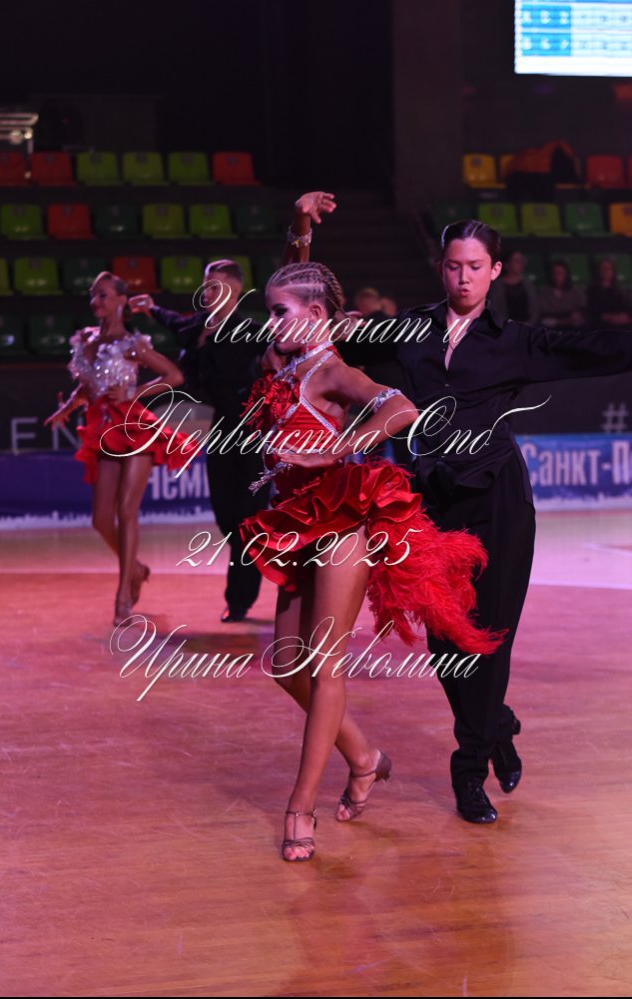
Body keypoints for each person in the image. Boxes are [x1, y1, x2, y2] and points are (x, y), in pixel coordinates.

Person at [239, 258, 504, 863]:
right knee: (286, 666)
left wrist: (334, 447)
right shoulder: (290, 367)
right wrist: (301, 227)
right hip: (295, 523)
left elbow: (402, 409)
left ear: (314, 314)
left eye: (279, 311)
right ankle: (364, 757)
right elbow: (302, 266)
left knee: (325, 668)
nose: (270, 322)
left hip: (341, 522)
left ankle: (300, 807)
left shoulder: (333, 370)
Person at [384, 220, 632, 824]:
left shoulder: (515, 340)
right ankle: (495, 722)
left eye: (475, 267)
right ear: (440, 268)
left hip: (498, 503)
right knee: (444, 641)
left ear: (495, 271)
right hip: (430, 504)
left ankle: (468, 771)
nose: (463, 277)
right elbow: (328, 340)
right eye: (453, 266)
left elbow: (591, 349)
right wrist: (300, 241)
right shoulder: (408, 331)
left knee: (488, 637)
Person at [45, 271, 192, 626]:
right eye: (93, 295)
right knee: (100, 519)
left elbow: (174, 376)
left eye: (104, 295)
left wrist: (133, 393)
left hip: (132, 428)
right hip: (103, 430)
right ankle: (137, 569)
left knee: (127, 511)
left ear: (122, 301)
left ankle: (123, 595)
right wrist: (67, 409)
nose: (96, 301)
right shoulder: (86, 339)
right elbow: (88, 386)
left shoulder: (132, 343)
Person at [130, 261, 270, 623]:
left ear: (234, 291)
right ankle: (248, 566)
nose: (206, 293)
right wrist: (151, 308)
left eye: (215, 287)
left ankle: (239, 599)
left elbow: (286, 344)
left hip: (253, 429)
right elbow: (174, 322)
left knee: (248, 518)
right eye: (205, 286)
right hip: (223, 427)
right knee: (225, 515)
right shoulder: (197, 326)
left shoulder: (251, 331)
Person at [488, 249, 540, 324]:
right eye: (516, 261)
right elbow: (495, 310)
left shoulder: (529, 285)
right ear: (507, 265)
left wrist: (530, 325)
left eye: (521, 260)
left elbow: (535, 309)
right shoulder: (497, 286)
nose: (520, 263)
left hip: (528, 327)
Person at [538, 259, 586, 329]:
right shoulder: (544, 292)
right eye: (554, 273)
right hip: (551, 327)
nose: (557, 276)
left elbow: (582, 307)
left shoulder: (576, 291)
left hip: (572, 327)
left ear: (566, 274)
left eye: (560, 273)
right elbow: (544, 313)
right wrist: (563, 320)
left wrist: (576, 314)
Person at [586, 258, 632, 330]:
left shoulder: (620, 291)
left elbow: (626, 307)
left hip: (620, 326)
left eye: (609, 269)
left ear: (613, 272)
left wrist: (625, 317)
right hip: (600, 326)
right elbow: (592, 311)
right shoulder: (591, 291)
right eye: (603, 268)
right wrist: (609, 317)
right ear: (598, 271)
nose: (606, 271)